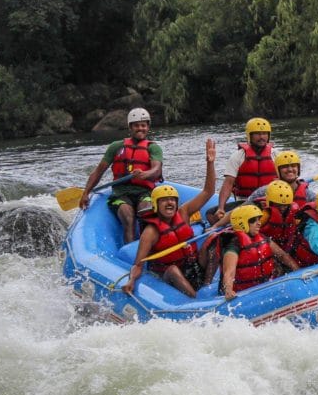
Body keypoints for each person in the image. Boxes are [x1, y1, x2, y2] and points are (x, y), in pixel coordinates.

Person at [122, 139, 216, 298]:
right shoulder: (151, 231)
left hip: (192, 267)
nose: (170, 202)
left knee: (213, 240)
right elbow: (138, 264)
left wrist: (210, 163)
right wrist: (131, 281)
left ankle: (207, 286)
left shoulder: (184, 213)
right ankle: (195, 300)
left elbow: (208, 191)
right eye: (165, 200)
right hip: (169, 276)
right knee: (172, 270)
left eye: (172, 199)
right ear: (155, 205)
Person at [79, 108, 163, 243]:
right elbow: (99, 171)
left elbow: (157, 169)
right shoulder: (116, 146)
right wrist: (86, 192)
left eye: (143, 125)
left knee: (146, 212)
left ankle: (148, 251)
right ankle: (130, 255)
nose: (140, 129)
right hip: (120, 193)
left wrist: (145, 174)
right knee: (128, 218)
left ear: (148, 127)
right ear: (130, 127)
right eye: (136, 125)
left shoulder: (153, 148)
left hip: (145, 192)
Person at [219, 204, 300, 300]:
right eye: (253, 220)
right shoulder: (233, 245)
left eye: (258, 219)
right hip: (244, 292)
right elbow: (229, 272)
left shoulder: (262, 238)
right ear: (242, 222)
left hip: (265, 284)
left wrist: (298, 270)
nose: (259, 223)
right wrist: (228, 290)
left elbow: (282, 255)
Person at [211, 117, 277, 222]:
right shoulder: (238, 156)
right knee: (210, 214)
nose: (261, 137)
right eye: (257, 134)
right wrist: (221, 208)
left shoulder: (276, 155)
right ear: (249, 136)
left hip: (269, 202)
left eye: (264, 133)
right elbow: (228, 184)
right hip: (244, 202)